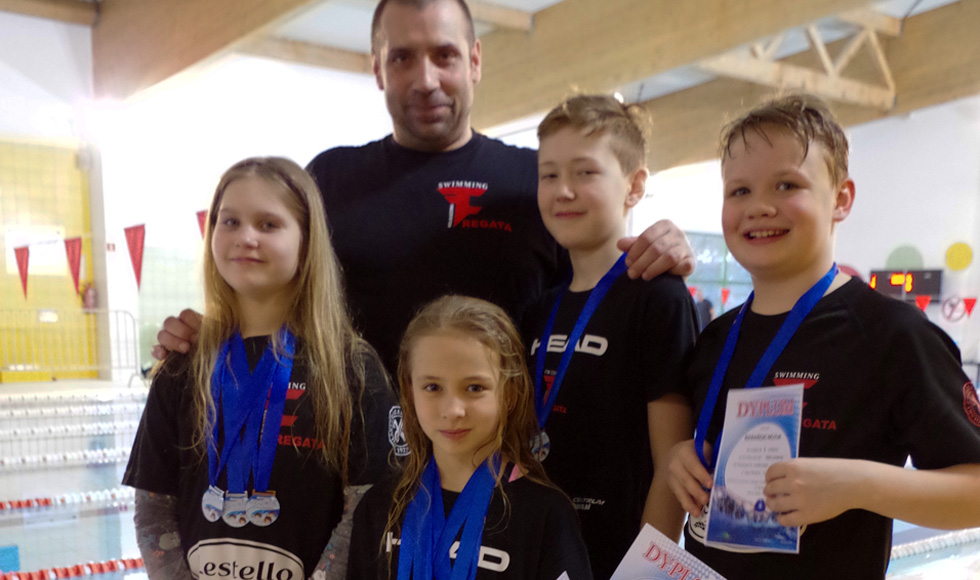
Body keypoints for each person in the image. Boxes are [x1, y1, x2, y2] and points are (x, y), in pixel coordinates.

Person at [155, 0, 696, 373]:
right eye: (402, 58)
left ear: (474, 61)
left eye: (444, 55)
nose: (426, 80)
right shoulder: (331, 179)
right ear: (377, 69)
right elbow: (277, 298)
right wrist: (214, 333)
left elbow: (598, 287)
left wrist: (660, 245)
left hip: (502, 465)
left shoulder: (536, 181)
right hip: (358, 465)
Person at [666, 94, 980, 580]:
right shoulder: (715, 339)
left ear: (841, 199)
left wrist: (856, 484)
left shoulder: (891, 335)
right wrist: (683, 458)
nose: (759, 207)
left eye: (787, 184)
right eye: (739, 190)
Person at [124, 157, 397, 579]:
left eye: (268, 224)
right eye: (230, 221)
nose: (245, 237)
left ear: (307, 241)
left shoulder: (351, 368)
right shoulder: (185, 365)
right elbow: (153, 509)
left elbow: (369, 506)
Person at [522, 95, 698, 580]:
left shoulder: (658, 298)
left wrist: (642, 575)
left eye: (585, 173)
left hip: (617, 559)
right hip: (539, 553)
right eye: (549, 175)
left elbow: (671, 465)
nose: (563, 191)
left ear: (634, 186)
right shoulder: (540, 309)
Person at [347, 295, 593, 579]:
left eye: (474, 387)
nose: (453, 411)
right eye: (433, 387)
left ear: (509, 393)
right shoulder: (379, 508)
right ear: (410, 390)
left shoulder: (545, 516)